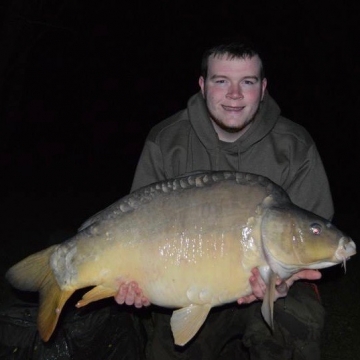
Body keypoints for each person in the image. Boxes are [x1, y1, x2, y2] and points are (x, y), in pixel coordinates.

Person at [115, 37, 334, 360]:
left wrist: (286, 279)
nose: (234, 94)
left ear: (263, 88)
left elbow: (310, 233)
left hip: (272, 285)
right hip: (187, 283)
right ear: (203, 86)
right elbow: (136, 226)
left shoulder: (294, 146)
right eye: (222, 81)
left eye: (247, 82)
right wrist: (135, 280)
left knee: (294, 324)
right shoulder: (167, 140)